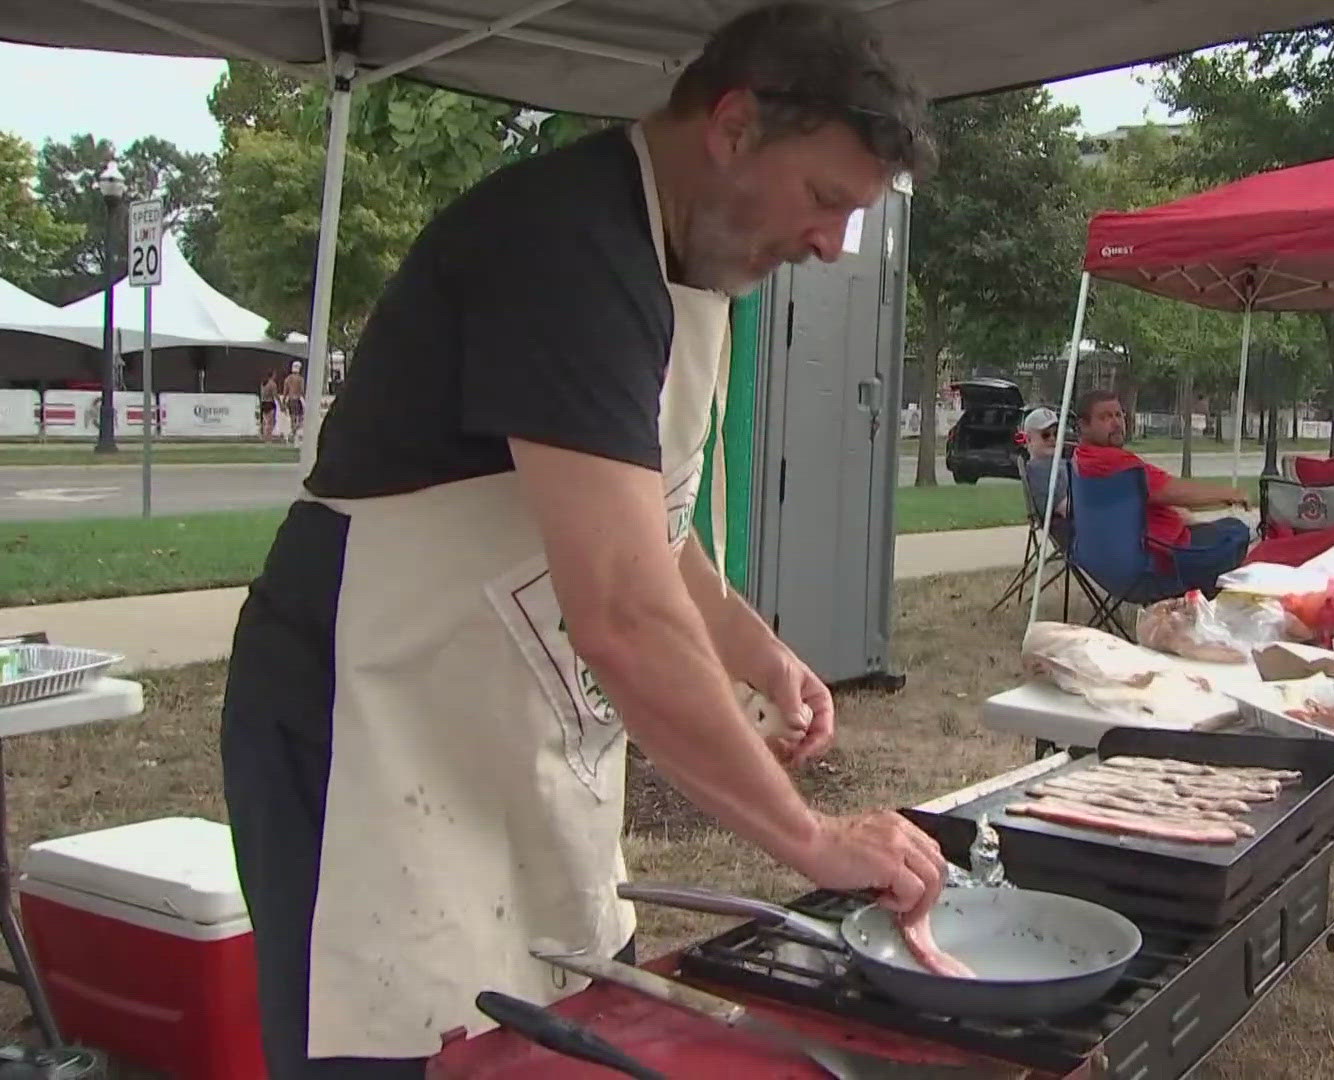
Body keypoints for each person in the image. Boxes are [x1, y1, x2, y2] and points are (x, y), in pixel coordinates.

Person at [218, 5, 941, 1076]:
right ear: (734, 127)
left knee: (565, 1025)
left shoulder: (690, 263)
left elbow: (649, 526)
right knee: (397, 1030)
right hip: (368, 708)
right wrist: (812, 839)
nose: (832, 245)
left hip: (507, 715)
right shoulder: (568, 246)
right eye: (826, 199)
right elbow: (620, 605)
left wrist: (760, 652)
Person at [1071, 389, 1252, 576]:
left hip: (1108, 562)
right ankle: (1206, 601)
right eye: (1105, 417)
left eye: (1119, 415)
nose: (1117, 423)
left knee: (1214, 527)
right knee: (1236, 532)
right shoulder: (1117, 463)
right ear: (1084, 425)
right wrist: (1232, 494)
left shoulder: (1080, 459)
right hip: (1158, 559)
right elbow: (1174, 492)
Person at [1020, 406, 1068, 519]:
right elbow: (1063, 508)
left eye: (1056, 434)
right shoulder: (1038, 468)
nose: (1052, 439)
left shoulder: (1059, 463)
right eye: (1045, 435)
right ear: (1029, 440)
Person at [280, 361, 306, 444]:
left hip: (290, 400)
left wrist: (283, 402)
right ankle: (294, 433)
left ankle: (293, 433)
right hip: (298, 400)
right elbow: (302, 390)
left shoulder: (288, 379)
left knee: (292, 418)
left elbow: (285, 392)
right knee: (300, 418)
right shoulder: (300, 379)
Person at [259, 371, 280, 441]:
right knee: (270, 422)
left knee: (265, 421)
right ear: (273, 375)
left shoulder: (263, 383)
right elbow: (275, 395)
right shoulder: (272, 384)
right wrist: (281, 404)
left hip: (263, 402)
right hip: (270, 403)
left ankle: (264, 435)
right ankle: (268, 437)